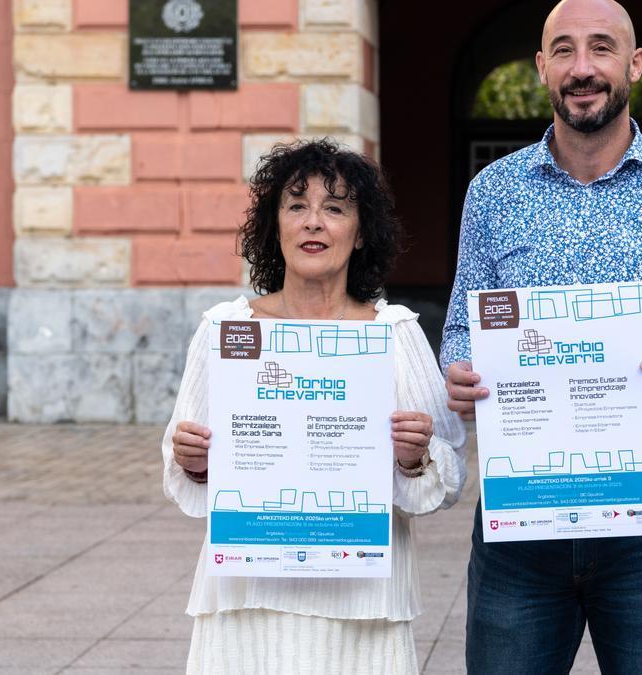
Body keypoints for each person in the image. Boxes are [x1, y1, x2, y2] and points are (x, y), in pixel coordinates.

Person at [440, 0, 642, 671]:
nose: (583, 68)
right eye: (564, 49)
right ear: (541, 68)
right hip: (521, 511)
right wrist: (459, 369)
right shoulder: (491, 193)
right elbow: (462, 327)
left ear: (633, 65)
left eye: (602, 48)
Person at [162, 140, 467, 674]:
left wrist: (414, 456)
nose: (313, 223)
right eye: (296, 205)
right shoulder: (228, 330)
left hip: (362, 602)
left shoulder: (392, 334)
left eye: (335, 208)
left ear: (361, 230)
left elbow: (446, 478)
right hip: (247, 595)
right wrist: (193, 459)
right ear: (274, 226)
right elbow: (186, 463)